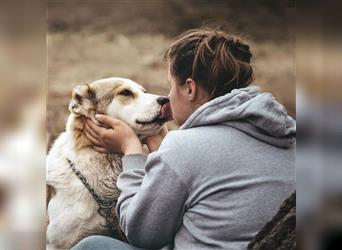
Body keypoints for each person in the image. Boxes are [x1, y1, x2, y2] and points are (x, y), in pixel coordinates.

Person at [72, 27, 296, 250]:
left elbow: (141, 234)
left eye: (171, 85)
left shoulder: (184, 146)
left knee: (91, 246)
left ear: (190, 88)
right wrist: (161, 148)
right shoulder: (292, 136)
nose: (166, 96)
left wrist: (131, 150)